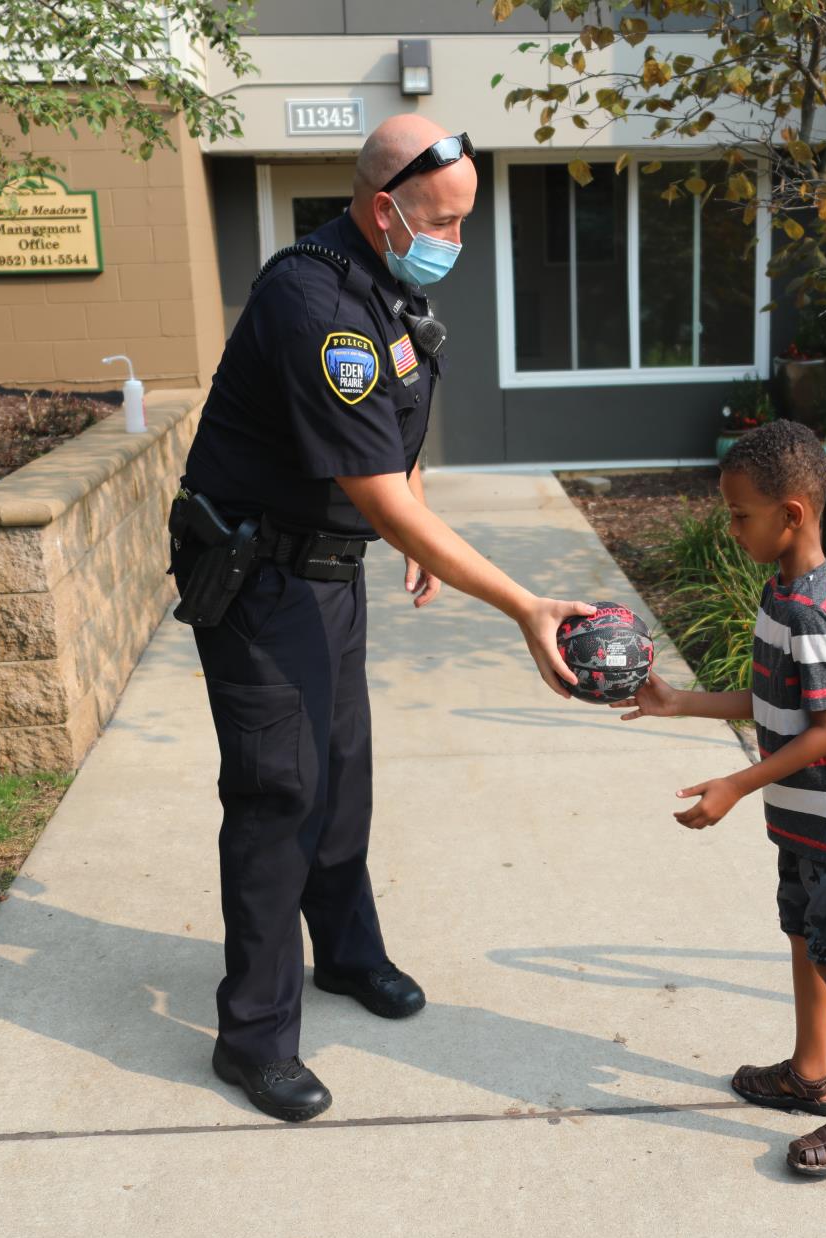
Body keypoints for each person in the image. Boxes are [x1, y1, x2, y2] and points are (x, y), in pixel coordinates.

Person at [172, 115, 593, 1123]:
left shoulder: (388, 285)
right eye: (444, 219)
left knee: (341, 772)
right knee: (280, 793)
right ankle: (254, 1035)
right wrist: (525, 602)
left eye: (465, 218)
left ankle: (347, 953)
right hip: (256, 574)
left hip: (325, 570)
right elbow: (374, 474)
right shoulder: (313, 303)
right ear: (383, 208)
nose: (457, 237)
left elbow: (400, 426)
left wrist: (408, 516)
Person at [614, 420, 826, 1176]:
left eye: (741, 514)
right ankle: (811, 1074)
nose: (732, 526)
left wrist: (738, 785)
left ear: (793, 515)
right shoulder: (785, 590)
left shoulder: (810, 609)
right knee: (808, 937)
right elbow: (768, 698)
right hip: (812, 811)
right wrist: (679, 703)